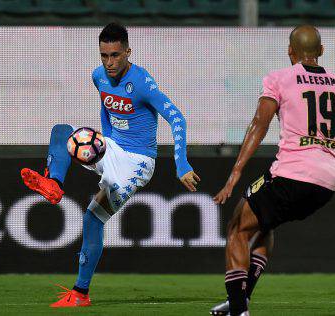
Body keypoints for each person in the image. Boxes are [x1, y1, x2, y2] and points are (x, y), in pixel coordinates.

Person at [210, 25, 335, 316]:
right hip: (327, 181)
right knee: (265, 226)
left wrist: (234, 174)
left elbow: (259, 124)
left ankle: (237, 310)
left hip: (291, 173)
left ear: (290, 51)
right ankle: (241, 301)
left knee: (237, 228)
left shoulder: (279, 79)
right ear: (321, 51)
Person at [20, 22, 200, 308]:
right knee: (62, 130)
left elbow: (177, 118)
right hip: (112, 148)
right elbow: (106, 106)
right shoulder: (98, 76)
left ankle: (80, 293)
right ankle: (54, 185)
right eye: (104, 55)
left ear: (128, 51)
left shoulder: (142, 82)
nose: (109, 62)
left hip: (137, 162)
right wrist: (107, 139)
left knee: (93, 218)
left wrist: (181, 164)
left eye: (115, 55)